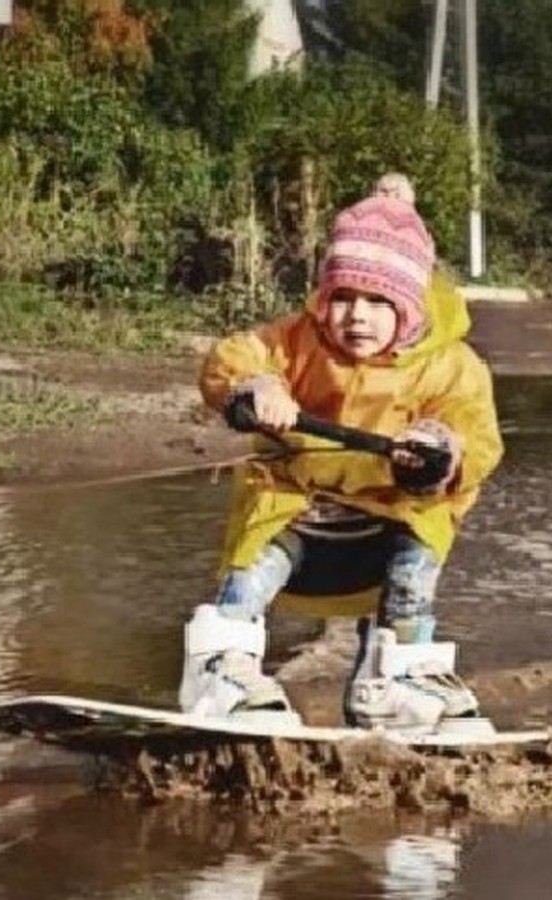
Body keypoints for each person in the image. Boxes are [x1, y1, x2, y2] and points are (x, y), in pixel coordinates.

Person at [177, 185, 504, 731]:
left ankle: (397, 678)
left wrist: (442, 450)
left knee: (417, 558)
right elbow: (236, 355)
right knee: (252, 562)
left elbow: (477, 434)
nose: (357, 316)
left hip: (392, 506)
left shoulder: (452, 365)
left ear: (411, 306)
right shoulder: (298, 340)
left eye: (379, 303)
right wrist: (257, 387)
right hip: (300, 502)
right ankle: (223, 666)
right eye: (344, 297)